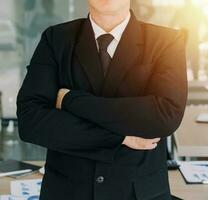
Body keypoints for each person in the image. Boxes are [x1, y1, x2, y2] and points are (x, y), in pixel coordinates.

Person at [16, 0, 187, 199]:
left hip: (138, 193)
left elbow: (164, 117)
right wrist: (119, 138)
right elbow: (31, 121)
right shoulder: (56, 39)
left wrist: (70, 100)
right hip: (67, 192)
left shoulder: (166, 41)